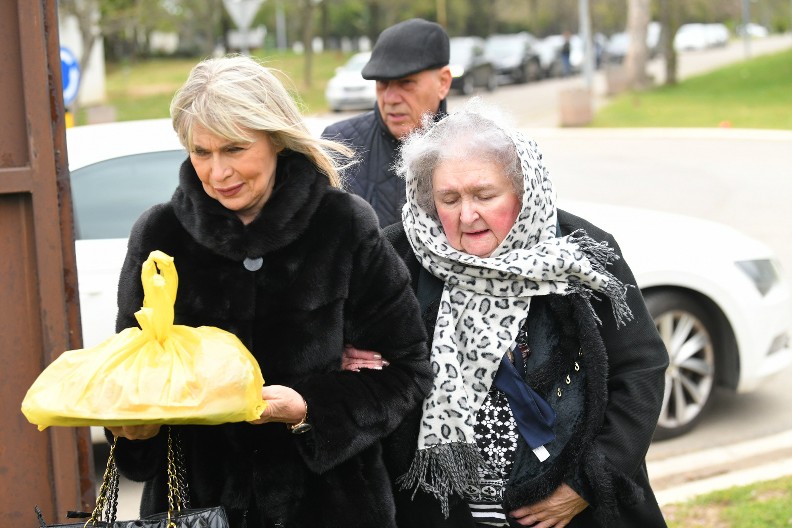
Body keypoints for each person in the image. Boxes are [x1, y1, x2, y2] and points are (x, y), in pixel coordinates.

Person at [105, 55, 433, 528]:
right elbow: (130, 377)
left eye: (235, 149)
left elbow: (407, 371)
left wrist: (309, 409)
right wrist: (135, 431)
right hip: (196, 508)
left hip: (331, 509)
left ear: (276, 138)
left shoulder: (343, 225)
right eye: (201, 152)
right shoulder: (159, 235)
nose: (218, 173)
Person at [343, 102, 668, 527]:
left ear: (522, 189)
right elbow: (346, 363)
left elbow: (641, 368)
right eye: (449, 199)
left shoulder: (579, 251)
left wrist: (588, 482)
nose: (467, 214)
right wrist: (349, 362)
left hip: (575, 513)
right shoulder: (394, 259)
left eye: (484, 195)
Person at [322, 18, 453, 227]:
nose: (390, 98)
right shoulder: (339, 146)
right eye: (382, 83)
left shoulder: (472, 150)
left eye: (406, 82)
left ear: (443, 83)